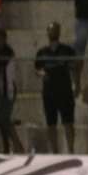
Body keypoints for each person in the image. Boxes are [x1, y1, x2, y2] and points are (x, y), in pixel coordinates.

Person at [34, 22, 78, 154]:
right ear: (47, 33)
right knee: (51, 123)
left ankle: (71, 150)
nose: (53, 33)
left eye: (55, 30)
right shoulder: (42, 52)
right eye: (50, 30)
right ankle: (55, 151)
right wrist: (42, 74)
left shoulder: (67, 50)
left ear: (59, 32)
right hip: (49, 92)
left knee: (68, 122)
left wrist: (77, 84)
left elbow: (74, 68)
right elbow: (37, 69)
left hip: (65, 90)